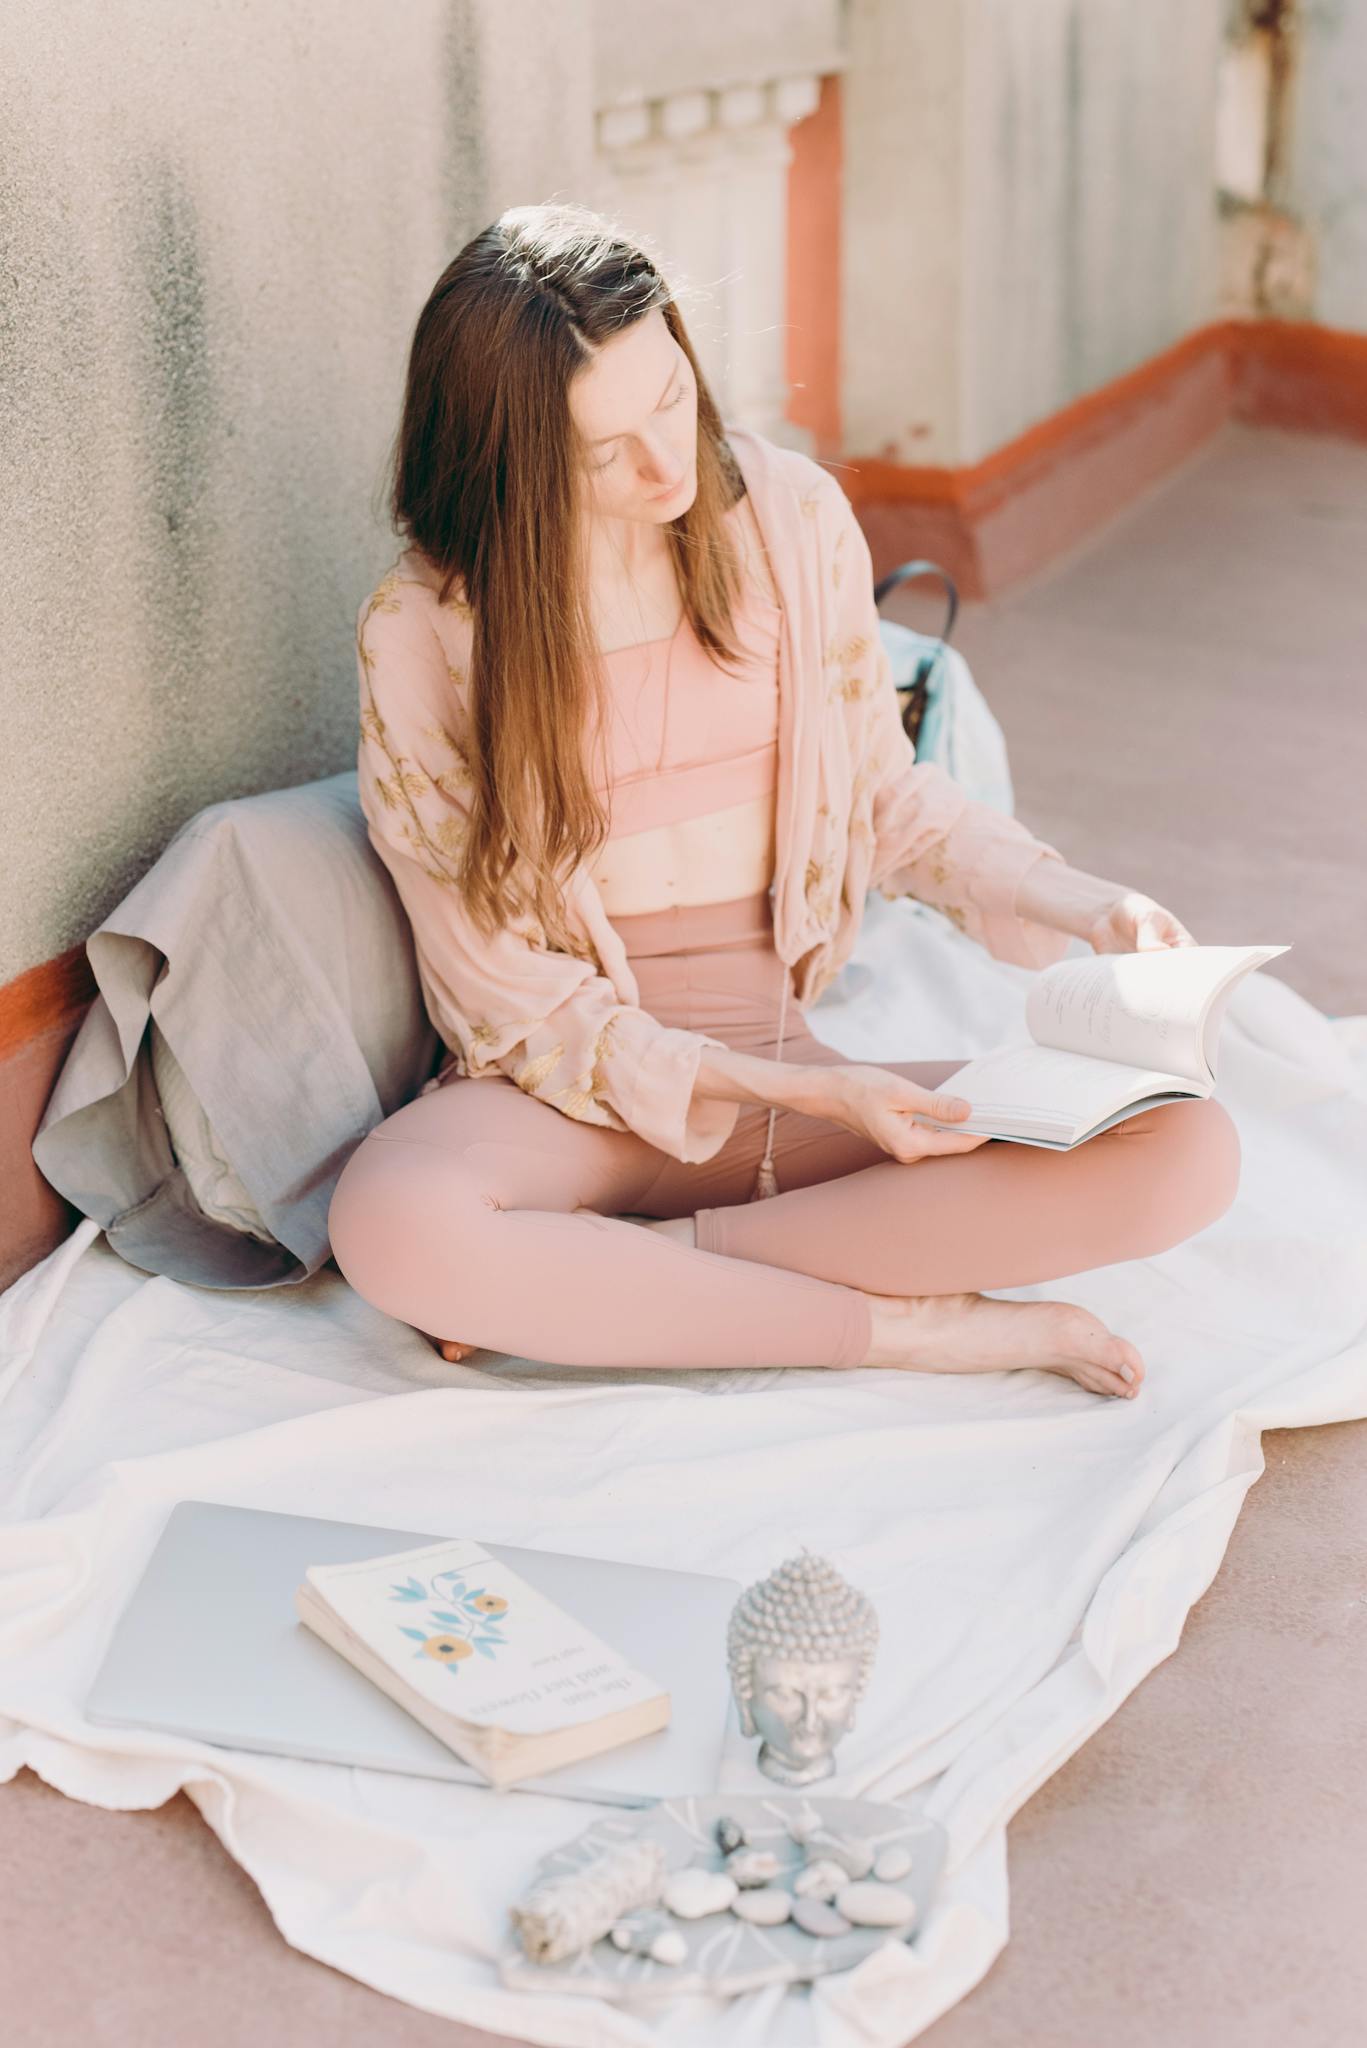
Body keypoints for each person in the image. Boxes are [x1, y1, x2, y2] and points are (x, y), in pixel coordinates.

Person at [327, 201, 1241, 1393]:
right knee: (395, 1222)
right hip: (571, 1097)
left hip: (792, 1083)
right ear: (509, 460)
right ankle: (908, 1325)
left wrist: (1084, 904)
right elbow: (502, 991)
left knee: (1182, 1144)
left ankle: (636, 1282)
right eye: (604, 452)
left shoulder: (791, 516)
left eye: (670, 399)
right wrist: (803, 1091)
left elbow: (885, 799)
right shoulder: (424, 625)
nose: (667, 465)